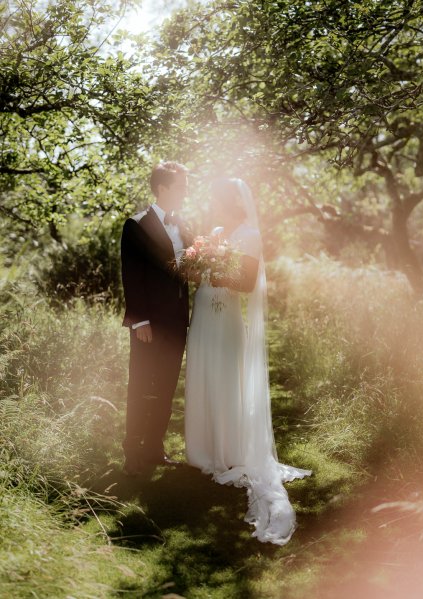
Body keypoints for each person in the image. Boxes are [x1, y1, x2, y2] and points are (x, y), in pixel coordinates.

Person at [185, 178, 311, 545]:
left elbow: (245, 281)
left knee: (223, 378)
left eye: (215, 201)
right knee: (202, 375)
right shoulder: (217, 231)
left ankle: (226, 451)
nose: (211, 208)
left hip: (225, 318)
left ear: (230, 203)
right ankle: (202, 450)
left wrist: (213, 265)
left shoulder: (250, 234)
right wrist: (199, 265)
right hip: (203, 313)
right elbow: (197, 271)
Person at [121, 161, 192, 474]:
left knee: (165, 387)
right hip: (148, 324)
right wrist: (139, 320)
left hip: (177, 321)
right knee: (141, 385)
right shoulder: (136, 225)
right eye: (181, 186)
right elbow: (131, 276)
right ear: (162, 188)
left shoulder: (185, 224)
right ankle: (131, 452)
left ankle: (154, 448)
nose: (186, 191)